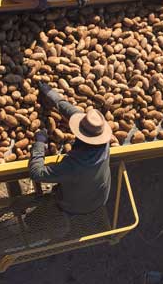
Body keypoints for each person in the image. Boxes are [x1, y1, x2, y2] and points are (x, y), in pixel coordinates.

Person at [29, 82, 112, 215]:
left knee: (35, 218)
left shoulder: (74, 166)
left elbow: (36, 173)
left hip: (77, 206)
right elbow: (74, 113)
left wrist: (39, 143)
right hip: (100, 197)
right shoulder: (103, 141)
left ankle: (59, 212)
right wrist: (53, 96)